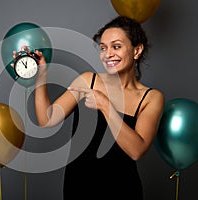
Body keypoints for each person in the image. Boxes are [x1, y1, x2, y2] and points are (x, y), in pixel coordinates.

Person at [14, 16, 164, 199]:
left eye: (116, 46)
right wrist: (41, 75)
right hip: (79, 187)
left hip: (123, 189)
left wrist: (104, 105)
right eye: (103, 48)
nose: (108, 54)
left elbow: (136, 151)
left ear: (137, 50)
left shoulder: (151, 98)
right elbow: (47, 120)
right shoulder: (88, 80)